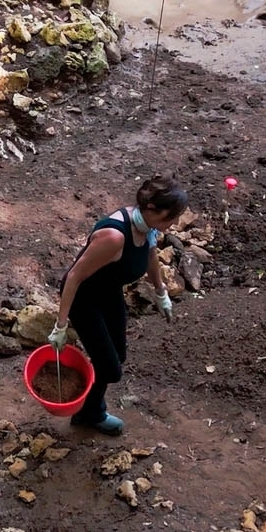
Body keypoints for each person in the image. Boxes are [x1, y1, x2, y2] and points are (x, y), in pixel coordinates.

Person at [47, 177, 187, 435]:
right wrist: (61, 324)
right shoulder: (114, 237)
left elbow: (149, 254)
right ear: (152, 208)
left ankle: (88, 411)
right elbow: (74, 276)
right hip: (83, 300)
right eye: (172, 216)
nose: (175, 223)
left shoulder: (147, 227)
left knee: (117, 356)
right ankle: (91, 412)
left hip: (108, 293)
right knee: (111, 369)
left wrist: (160, 293)